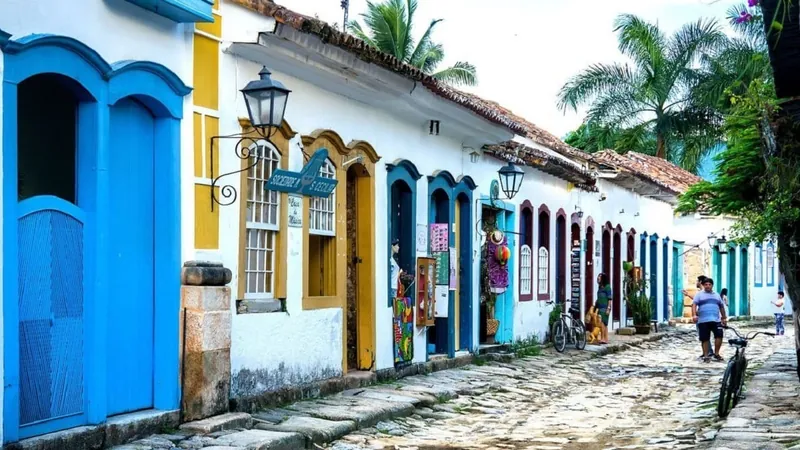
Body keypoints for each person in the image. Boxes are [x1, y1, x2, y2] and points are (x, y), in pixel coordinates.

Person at [692, 278, 727, 362]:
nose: (708, 286)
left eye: (709, 284)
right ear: (703, 285)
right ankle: (706, 355)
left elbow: (721, 306)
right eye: (706, 284)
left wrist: (724, 317)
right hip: (703, 320)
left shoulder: (716, 295)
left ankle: (716, 353)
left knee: (719, 336)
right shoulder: (699, 295)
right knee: (705, 338)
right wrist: (694, 315)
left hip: (716, 320)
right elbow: (694, 305)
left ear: (712, 285)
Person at [596, 273, 612, 345]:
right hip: (600, 307)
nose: (598, 278)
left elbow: (609, 298)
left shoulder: (607, 287)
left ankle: (603, 338)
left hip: (605, 307)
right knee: (604, 323)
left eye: (600, 277)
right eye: (598, 276)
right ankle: (605, 339)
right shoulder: (600, 287)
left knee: (603, 323)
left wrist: (608, 308)